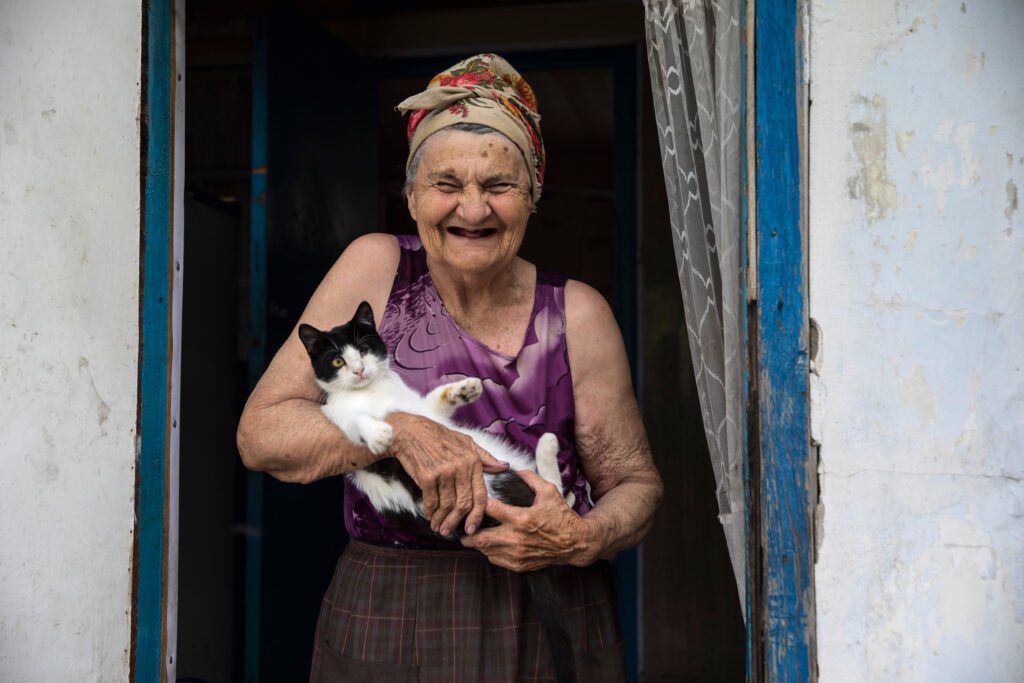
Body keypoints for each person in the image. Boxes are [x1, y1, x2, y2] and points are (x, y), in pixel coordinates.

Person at [236, 53, 663, 682]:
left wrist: (583, 540)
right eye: (446, 184)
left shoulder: (579, 314)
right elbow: (261, 435)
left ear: (533, 195)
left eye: (498, 186)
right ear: (410, 197)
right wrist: (405, 432)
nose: (473, 209)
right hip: (392, 606)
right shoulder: (376, 268)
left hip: (551, 604)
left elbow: (637, 487)